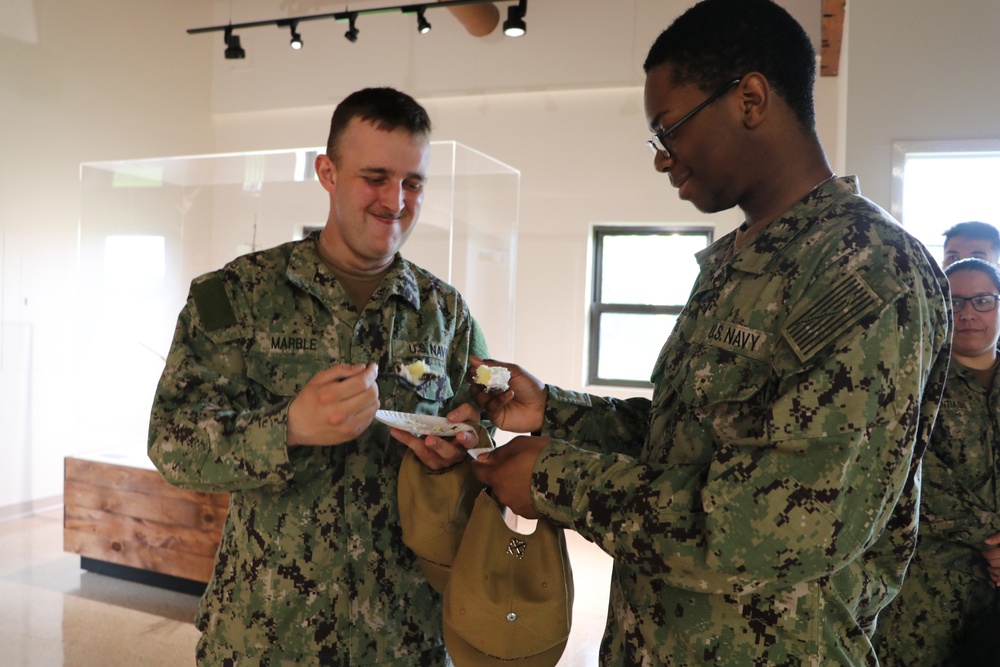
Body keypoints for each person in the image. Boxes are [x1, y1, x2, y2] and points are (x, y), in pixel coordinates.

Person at [460, 1, 952, 665]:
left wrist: (553, 476)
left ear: (750, 98)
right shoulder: (744, 260)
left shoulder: (864, 268)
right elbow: (690, 443)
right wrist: (554, 410)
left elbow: (767, 527)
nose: (664, 159)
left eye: (670, 130)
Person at [148, 87, 486, 665]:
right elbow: (172, 443)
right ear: (327, 172)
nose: (396, 201)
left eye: (413, 182)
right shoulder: (239, 295)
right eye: (375, 177)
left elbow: (479, 436)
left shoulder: (445, 311)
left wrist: (463, 449)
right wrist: (288, 427)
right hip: (270, 633)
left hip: (406, 635)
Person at [873, 257, 1000, 666]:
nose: (967, 314)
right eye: (954, 300)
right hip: (927, 587)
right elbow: (907, 473)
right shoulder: (909, 379)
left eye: (982, 301)